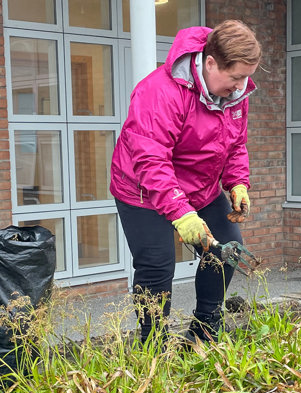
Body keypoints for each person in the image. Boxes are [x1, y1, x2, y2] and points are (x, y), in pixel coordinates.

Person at [110, 19, 261, 343]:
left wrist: (237, 183)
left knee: (227, 249)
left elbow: (234, 144)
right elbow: (151, 160)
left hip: (200, 186)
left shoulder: (236, 95)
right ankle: (153, 344)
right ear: (210, 63)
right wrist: (180, 213)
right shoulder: (159, 92)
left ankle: (204, 329)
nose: (240, 86)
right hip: (143, 190)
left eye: (246, 77)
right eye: (235, 77)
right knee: (157, 266)